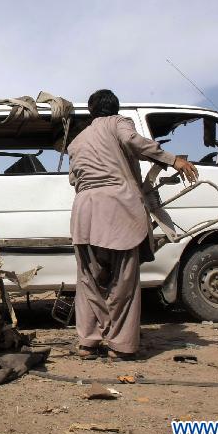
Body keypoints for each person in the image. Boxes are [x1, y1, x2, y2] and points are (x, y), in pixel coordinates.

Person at [68, 89, 198, 360]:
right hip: (118, 210)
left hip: (84, 214)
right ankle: (121, 346)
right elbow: (132, 141)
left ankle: (87, 344)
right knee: (123, 281)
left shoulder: (77, 140)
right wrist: (173, 160)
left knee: (89, 281)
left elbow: (74, 179)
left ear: (91, 111)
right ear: (115, 108)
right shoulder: (118, 123)